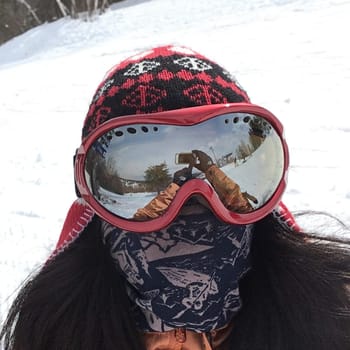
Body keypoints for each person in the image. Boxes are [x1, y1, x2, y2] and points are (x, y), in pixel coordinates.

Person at [1, 45, 349, 350]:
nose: (194, 201)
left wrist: (207, 172)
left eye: (213, 172)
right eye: (157, 172)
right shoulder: (56, 331)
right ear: (91, 198)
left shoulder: (332, 313)